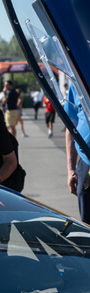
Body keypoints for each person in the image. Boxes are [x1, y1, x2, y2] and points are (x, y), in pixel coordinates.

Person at [65, 83, 90, 223]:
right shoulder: (77, 81)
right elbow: (71, 125)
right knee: (87, 219)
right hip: (86, 163)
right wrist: (70, 169)